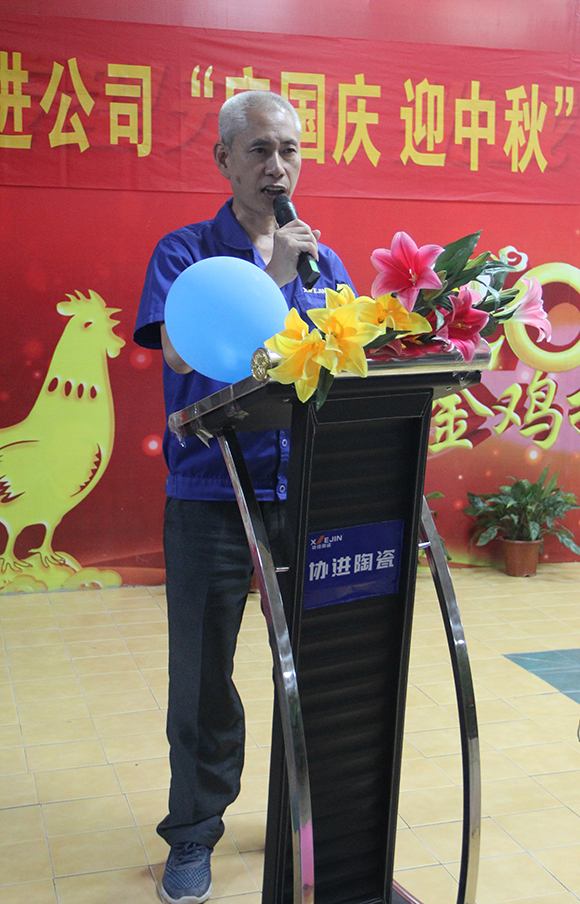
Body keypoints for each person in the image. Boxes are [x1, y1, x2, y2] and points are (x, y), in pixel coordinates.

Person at [134, 90, 354, 904]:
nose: (277, 166)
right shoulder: (185, 255)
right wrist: (274, 277)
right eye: (260, 149)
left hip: (306, 494)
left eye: (290, 149)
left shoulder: (326, 264)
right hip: (211, 495)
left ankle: (306, 815)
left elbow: (346, 367)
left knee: (317, 667)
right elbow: (185, 359)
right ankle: (194, 832)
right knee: (201, 675)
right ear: (224, 158)